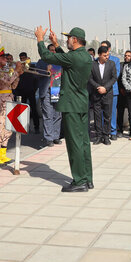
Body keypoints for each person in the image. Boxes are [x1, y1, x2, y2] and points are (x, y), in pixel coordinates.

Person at [36, 26, 94, 192]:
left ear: (75, 40)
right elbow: (67, 59)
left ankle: (79, 181)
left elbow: (47, 56)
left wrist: (40, 39)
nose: (67, 40)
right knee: (83, 143)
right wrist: (56, 44)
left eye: (69, 38)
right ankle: (87, 178)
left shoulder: (74, 57)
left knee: (74, 144)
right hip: (81, 103)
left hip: (72, 105)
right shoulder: (85, 56)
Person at [0, 47, 20, 166]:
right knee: (0, 127)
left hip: (9, 98)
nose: (5, 59)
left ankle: (3, 154)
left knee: (8, 129)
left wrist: (18, 74)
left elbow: (13, 85)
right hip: (1, 100)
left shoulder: (6, 69)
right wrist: (16, 71)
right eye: (2, 57)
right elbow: (7, 81)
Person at [89, 46, 118, 145]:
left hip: (107, 93)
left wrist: (105, 88)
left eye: (108, 55)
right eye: (105, 55)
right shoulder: (92, 65)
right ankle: (98, 136)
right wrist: (98, 87)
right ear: (99, 55)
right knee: (97, 116)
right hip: (96, 94)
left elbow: (114, 78)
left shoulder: (111, 64)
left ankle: (106, 136)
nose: (107, 57)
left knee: (107, 116)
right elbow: (90, 78)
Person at [35, 44, 63, 146]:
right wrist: (46, 71)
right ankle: (49, 138)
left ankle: (56, 136)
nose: (53, 52)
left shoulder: (60, 62)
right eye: (51, 50)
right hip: (46, 90)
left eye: (54, 51)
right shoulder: (41, 62)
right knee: (48, 114)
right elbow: (36, 75)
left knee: (57, 115)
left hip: (56, 89)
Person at [100, 41, 122, 139]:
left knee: (112, 112)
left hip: (112, 90)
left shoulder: (115, 60)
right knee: (101, 112)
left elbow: (115, 75)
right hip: (100, 91)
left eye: (104, 48)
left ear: (109, 49)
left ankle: (113, 131)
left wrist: (106, 86)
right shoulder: (97, 60)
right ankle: (102, 132)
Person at [16, 52, 40, 134]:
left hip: (31, 91)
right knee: (22, 110)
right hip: (22, 91)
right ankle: (23, 127)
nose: (22, 60)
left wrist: (34, 89)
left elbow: (36, 78)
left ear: (27, 58)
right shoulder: (19, 68)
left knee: (34, 110)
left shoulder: (32, 67)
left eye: (24, 58)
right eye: (21, 58)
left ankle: (36, 127)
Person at [115, 50, 131, 136]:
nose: (126, 57)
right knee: (120, 111)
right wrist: (121, 88)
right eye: (125, 55)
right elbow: (118, 77)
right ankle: (119, 129)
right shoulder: (120, 65)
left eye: (129, 55)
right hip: (121, 91)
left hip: (130, 92)